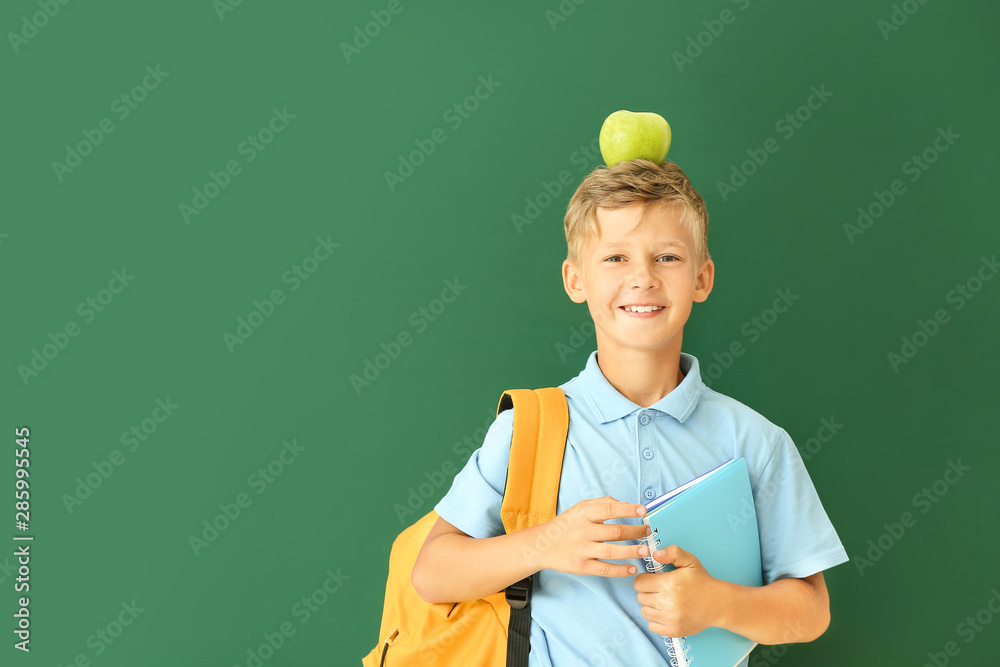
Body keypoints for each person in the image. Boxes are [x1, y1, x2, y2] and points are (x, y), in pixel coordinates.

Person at [410, 158, 849, 665]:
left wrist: (720, 604)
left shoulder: (755, 442)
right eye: (615, 258)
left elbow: (811, 611)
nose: (642, 278)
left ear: (702, 278)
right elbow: (432, 573)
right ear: (576, 280)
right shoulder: (528, 429)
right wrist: (546, 543)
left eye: (667, 257)